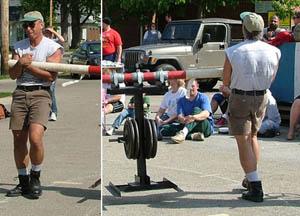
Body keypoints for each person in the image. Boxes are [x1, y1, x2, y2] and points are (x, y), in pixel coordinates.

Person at [222, 12, 281, 202]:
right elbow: (272, 77)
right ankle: (251, 177)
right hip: (262, 96)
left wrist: (227, 88)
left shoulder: (234, 51)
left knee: (242, 140)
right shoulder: (274, 51)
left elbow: (225, 82)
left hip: (240, 96)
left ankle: (255, 186)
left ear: (244, 29)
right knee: (253, 136)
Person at [7, 11, 63, 199]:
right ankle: (23, 181)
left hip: (41, 93)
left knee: (36, 137)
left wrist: (27, 66)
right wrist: (19, 64)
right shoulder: (19, 46)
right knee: (18, 138)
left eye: (31, 25)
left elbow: (51, 76)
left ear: (41, 25)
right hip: (21, 92)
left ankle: (35, 176)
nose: (28, 28)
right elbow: (13, 74)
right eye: (25, 25)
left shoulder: (52, 47)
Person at [170, 79, 214, 144]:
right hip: (188, 124)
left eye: (192, 86)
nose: (190, 88)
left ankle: (183, 133)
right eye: (188, 87)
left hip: (204, 126)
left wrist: (193, 117)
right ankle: (193, 136)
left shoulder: (203, 97)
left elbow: (206, 113)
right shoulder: (181, 100)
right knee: (166, 129)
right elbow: (180, 115)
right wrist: (182, 119)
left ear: (197, 86)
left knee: (196, 110)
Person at [43, 27, 65, 121]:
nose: (47, 34)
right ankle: (46, 111)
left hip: (52, 70)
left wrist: (53, 31)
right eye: (46, 32)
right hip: (43, 69)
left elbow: (62, 40)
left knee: (51, 90)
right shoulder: (42, 42)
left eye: (49, 33)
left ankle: (54, 112)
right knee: (44, 91)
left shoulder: (55, 42)